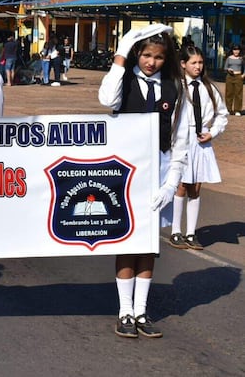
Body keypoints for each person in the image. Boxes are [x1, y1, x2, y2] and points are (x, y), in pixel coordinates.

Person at [98, 24, 189, 339]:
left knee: (149, 246)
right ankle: (124, 311)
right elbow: (106, 99)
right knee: (128, 241)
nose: (152, 62)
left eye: (159, 57)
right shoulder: (123, 79)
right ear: (138, 54)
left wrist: (171, 182)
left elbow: (181, 136)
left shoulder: (174, 87)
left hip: (159, 169)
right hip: (126, 170)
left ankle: (141, 311)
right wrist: (121, 54)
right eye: (147, 55)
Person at [170, 45, 228, 250]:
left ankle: (191, 232)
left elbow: (222, 114)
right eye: (193, 62)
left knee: (196, 186)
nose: (198, 66)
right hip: (181, 140)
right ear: (183, 64)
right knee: (181, 185)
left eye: (201, 62)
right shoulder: (177, 86)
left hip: (201, 141)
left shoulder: (209, 88)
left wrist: (212, 132)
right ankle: (176, 231)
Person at [223, 45, 243, 115]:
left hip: (238, 77)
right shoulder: (229, 58)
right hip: (230, 76)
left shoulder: (242, 58)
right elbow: (225, 68)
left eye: (237, 50)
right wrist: (228, 69)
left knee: (238, 94)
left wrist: (243, 75)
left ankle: (237, 110)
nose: (236, 51)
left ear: (240, 51)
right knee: (229, 93)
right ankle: (228, 109)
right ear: (232, 50)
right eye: (234, 50)